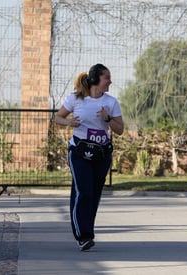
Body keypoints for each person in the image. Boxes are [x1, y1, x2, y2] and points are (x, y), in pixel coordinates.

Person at [55, 64, 124, 251]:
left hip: (101, 154)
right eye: (106, 78)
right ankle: (83, 235)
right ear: (96, 80)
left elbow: (120, 130)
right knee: (83, 192)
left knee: (93, 195)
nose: (110, 81)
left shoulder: (111, 102)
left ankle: (88, 231)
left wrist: (108, 118)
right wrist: (69, 122)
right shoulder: (76, 99)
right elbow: (57, 118)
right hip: (79, 152)